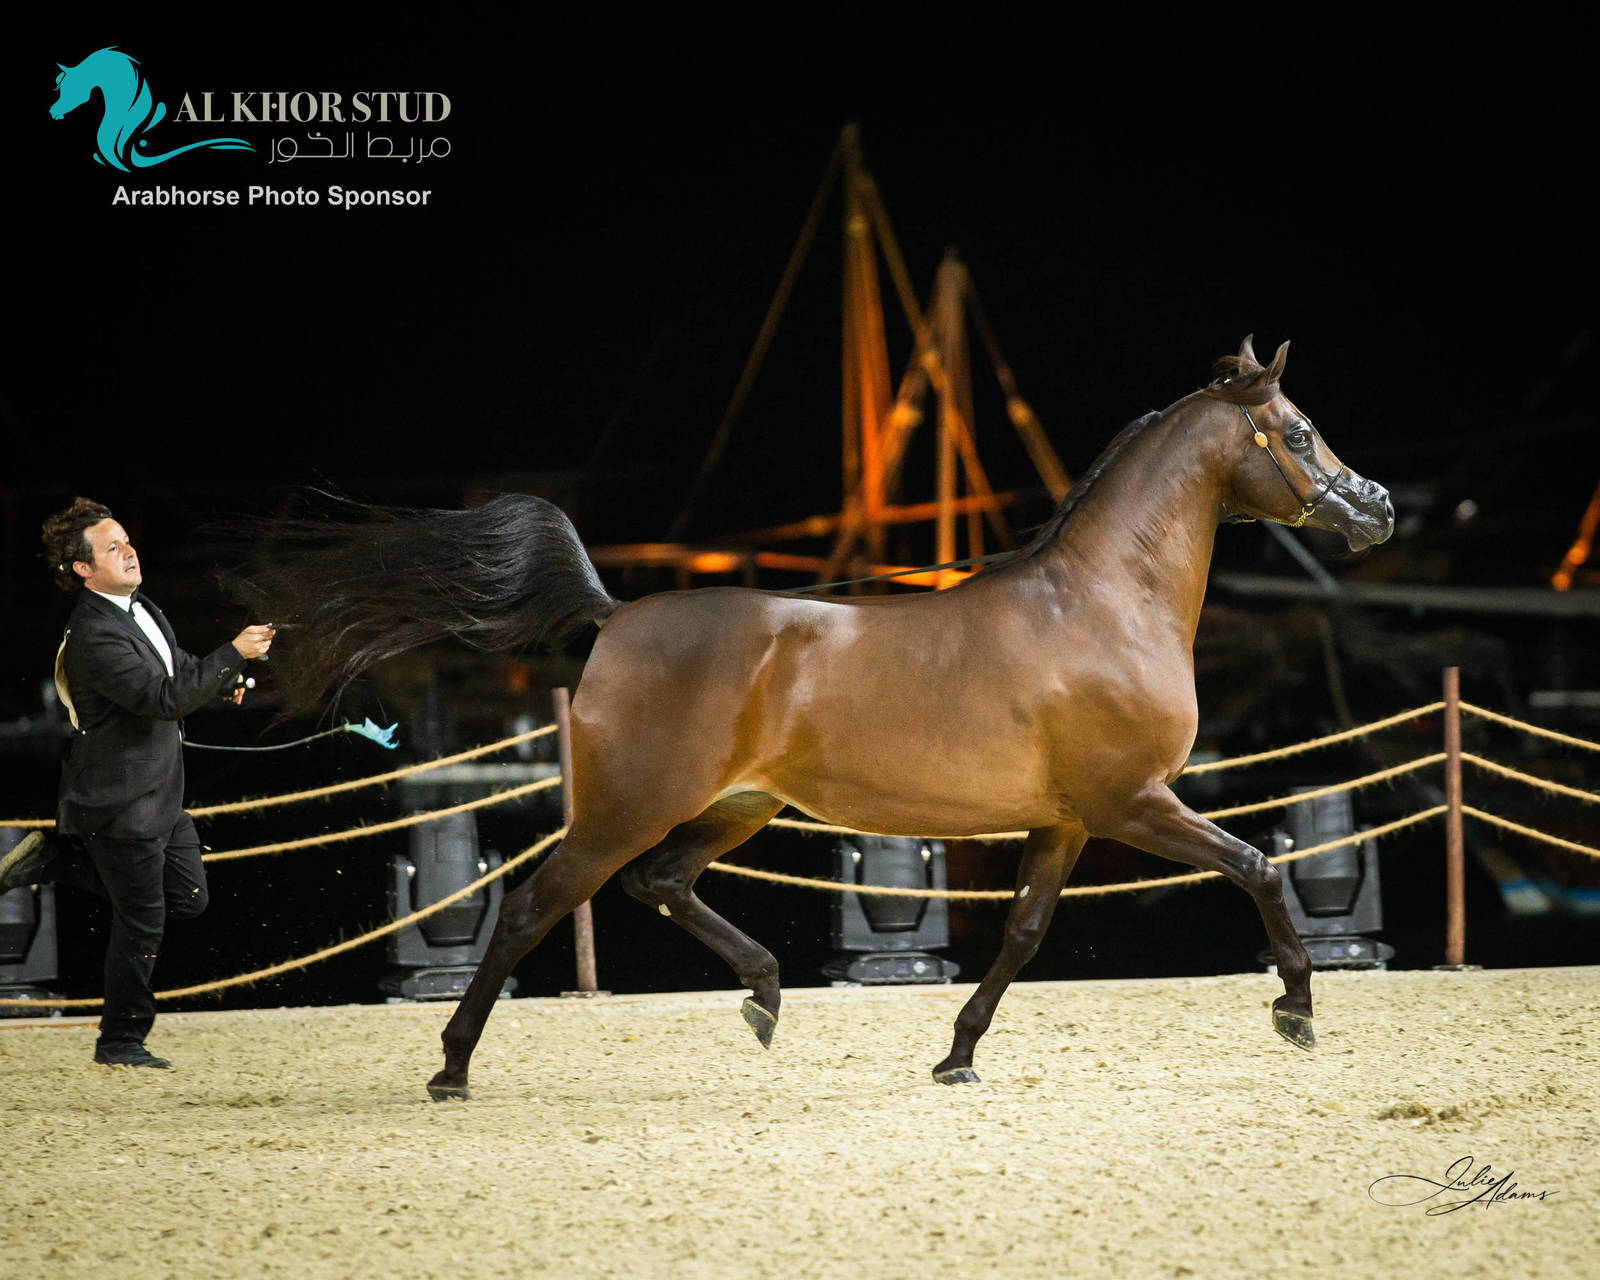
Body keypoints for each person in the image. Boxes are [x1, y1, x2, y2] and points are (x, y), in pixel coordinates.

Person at [0, 498, 275, 1068]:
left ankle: (57, 862)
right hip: (118, 804)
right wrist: (232, 652)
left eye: (126, 540)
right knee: (142, 921)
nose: (128, 551)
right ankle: (120, 1041)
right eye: (111, 547)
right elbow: (161, 699)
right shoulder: (93, 635)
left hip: (159, 797)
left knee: (189, 899)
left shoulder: (138, 606)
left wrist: (221, 681)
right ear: (82, 569)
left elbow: (174, 669)